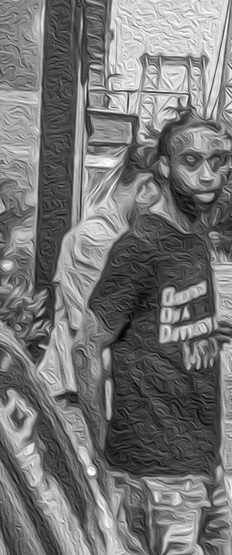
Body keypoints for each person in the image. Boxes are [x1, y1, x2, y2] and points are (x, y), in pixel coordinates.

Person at [80, 113, 232, 555]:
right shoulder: (140, 246)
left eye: (217, 162)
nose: (207, 174)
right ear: (165, 168)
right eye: (192, 161)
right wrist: (100, 449)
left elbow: (163, 330)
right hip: (155, 467)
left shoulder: (193, 240)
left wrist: (205, 335)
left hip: (202, 461)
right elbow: (89, 343)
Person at [38, 143, 160, 404]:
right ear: (145, 186)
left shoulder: (114, 233)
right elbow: (100, 327)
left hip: (94, 386)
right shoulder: (98, 239)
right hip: (78, 393)